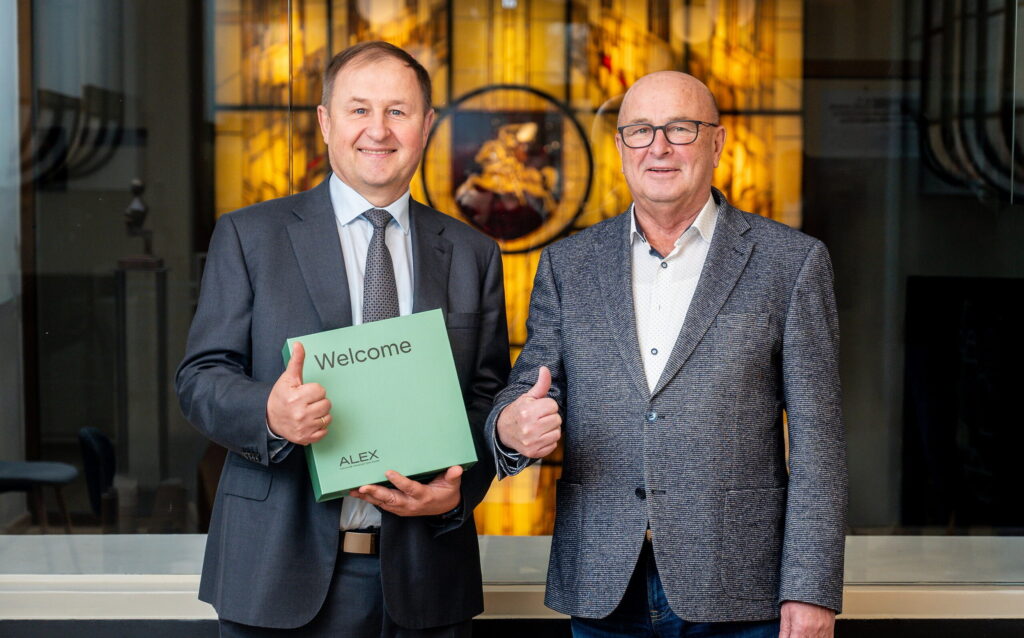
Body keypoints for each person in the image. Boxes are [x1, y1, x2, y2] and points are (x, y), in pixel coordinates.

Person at [487, 70, 847, 638]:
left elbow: (818, 446)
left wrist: (810, 589)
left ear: (717, 143)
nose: (658, 147)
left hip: (738, 591)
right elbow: (530, 387)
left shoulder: (791, 263)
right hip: (604, 585)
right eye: (640, 130)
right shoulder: (567, 265)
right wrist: (509, 425)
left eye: (680, 128)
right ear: (620, 147)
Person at [176, 41, 509, 637]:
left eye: (398, 111)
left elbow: (487, 399)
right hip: (274, 575)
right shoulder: (250, 236)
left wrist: (457, 494)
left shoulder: (472, 253)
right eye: (359, 110)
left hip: (426, 577)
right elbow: (200, 380)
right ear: (326, 122)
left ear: (427, 125)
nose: (378, 130)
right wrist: (271, 413)